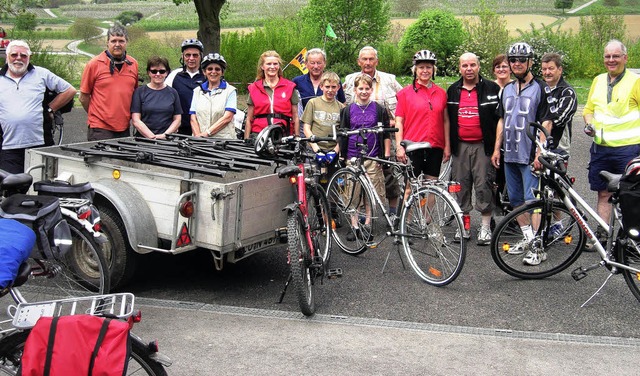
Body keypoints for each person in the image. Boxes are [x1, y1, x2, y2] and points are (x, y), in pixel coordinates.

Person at [490, 42, 549, 266]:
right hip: (510, 154)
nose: (516, 64)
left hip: (530, 155)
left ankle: (539, 247)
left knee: (532, 201)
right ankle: (528, 239)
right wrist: (497, 149)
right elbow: (502, 120)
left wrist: (540, 151)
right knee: (515, 201)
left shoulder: (541, 88)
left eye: (521, 60)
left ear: (530, 62)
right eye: (513, 60)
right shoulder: (506, 89)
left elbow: (547, 121)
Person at [583, 39, 640, 246]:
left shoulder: (635, 82)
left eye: (616, 56)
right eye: (607, 56)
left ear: (625, 58)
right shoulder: (598, 80)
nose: (611, 60)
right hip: (601, 149)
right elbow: (589, 110)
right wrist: (589, 123)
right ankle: (602, 233)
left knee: (629, 195)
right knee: (603, 192)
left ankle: (630, 239)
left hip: (629, 149)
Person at [446, 52, 501, 245]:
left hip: (483, 147)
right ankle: (465, 226)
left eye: (472, 65)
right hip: (460, 146)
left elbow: (500, 121)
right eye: (464, 66)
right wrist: (447, 146)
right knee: (461, 186)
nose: (469, 69)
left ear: (478, 66)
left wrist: (496, 149)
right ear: (459, 68)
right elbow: (447, 120)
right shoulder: (452, 90)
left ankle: (485, 228)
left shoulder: (492, 89)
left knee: (484, 185)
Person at [343, 46, 403, 216]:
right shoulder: (350, 80)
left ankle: (392, 212)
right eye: (364, 59)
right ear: (358, 61)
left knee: (388, 173)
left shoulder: (390, 80)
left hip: (384, 136)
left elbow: (403, 101)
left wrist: (392, 121)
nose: (367, 62)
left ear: (377, 61)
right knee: (358, 175)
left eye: (371, 59)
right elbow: (344, 106)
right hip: (358, 137)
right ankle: (362, 216)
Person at [0, 40, 76, 173]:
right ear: (7, 57)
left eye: (23, 55)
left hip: (40, 145)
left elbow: (70, 90)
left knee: (41, 186)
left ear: (29, 57)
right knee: (11, 188)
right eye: (14, 55)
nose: (19, 58)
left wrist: (50, 108)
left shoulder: (42, 74)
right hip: (8, 147)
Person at [339, 74, 390, 241]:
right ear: (355, 90)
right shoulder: (347, 111)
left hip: (373, 157)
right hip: (353, 156)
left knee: (371, 193)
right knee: (352, 193)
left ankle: (368, 224)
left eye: (367, 88)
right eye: (360, 88)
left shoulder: (379, 109)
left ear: (371, 90)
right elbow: (342, 134)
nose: (364, 92)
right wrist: (342, 156)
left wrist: (386, 156)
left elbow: (387, 135)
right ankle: (354, 225)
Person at [395, 50, 450, 188]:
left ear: (433, 69)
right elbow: (399, 121)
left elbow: (445, 121)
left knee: (431, 186)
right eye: (421, 67)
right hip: (413, 145)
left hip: (434, 146)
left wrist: (447, 145)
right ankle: (409, 211)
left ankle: (426, 211)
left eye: (428, 67)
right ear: (415, 70)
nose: (425, 70)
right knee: (409, 188)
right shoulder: (405, 93)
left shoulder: (441, 93)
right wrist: (399, 147)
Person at [79, 24, 138, 141]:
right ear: (107, 43)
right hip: (100, 128)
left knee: (122, 160)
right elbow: (83, 97)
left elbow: (134, 92)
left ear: (127, 42)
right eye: (113, 41)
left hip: (124, 127)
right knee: (101, 160)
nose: (117, 45)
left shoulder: (133, 64)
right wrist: (96, 115)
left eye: (121, 41)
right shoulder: (94, 64)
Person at [244, 51, 299, 139]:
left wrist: (297, 137)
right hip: (259, 134)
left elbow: (295, 116)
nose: (272, 67)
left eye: (275, 64)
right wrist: (246, 139)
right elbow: (249, 118)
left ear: (279, 66)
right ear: (262, 66)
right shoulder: (254, 88)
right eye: (269, 64)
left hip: (283, 134)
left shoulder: (290, 86)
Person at [130, 56, 182, 139]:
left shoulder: (173, 92)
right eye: (154, 71)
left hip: (167, 141)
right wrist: (152, 137)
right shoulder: (139, 92)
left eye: (162, 71)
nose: (158, 74)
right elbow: (136, 119)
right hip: (143, 140)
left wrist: (165, 135)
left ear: (167, 72)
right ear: (148, 72)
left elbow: (177, 119)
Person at [190, 53, 237, 138]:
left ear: (222, 72)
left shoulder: (230, 91)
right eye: (210, 69)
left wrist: (207, 133)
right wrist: (197, 136)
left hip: (223, 142)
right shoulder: (197, 91)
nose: (213, 72)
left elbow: (227, 117)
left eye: (217, 69)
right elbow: (193, 117)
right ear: (204, 72)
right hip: (199, 142)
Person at [293, 48, 346, 123]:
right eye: (312, 63)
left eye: (319, 63)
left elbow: (343, 104)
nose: (316, 66)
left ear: (325, 63)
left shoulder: (334, 81)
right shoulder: (297, 82)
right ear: (306, 63)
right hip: (304, 126)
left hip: (329, 126)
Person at [540, 52, 577, 159]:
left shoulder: (567, 92)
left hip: (558, 148)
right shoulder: (538, 89)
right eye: (544, 69)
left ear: (559, 70)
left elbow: (559, 119)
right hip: (536, 146)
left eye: (551, 68)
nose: (547, 72)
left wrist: (543, 120)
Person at [166, 39, 206, 136]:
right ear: (182, 57)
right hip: (180, 128)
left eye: (195, 55)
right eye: (187, 55)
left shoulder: (207, 76)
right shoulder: (174, 75)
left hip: (203, 128)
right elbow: (165, 98)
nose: (191, 58)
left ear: (201, 57)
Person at [302, 71, 344, 156]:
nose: (330, 90)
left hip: (333, 149)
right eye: (327, 87)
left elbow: (343, 133)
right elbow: (306, 128)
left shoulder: (342, 107)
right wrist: (316, 149)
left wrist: (335, 151)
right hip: (313, 148)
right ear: (321, 86)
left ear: (338, 87)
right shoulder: (312, 103)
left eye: (333, 87)